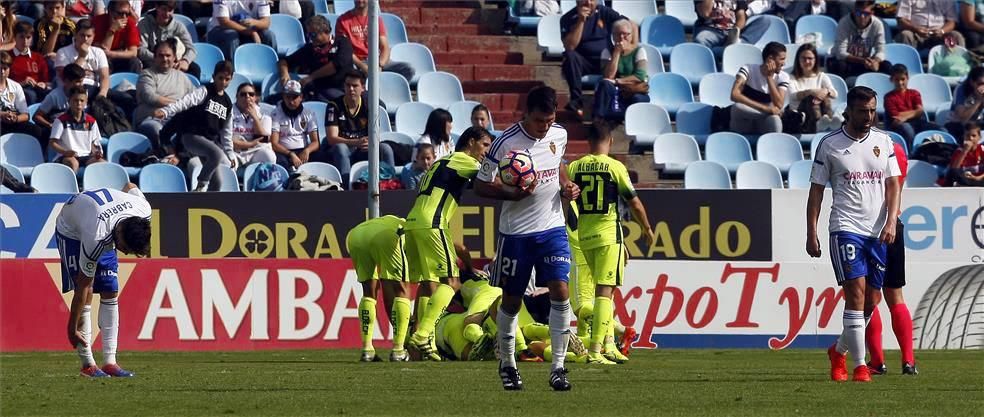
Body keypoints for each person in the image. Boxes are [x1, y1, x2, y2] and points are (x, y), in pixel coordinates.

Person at [474, 86, 580, 391]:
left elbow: (559, 167)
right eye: (538, 121)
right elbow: (480, 186)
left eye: (549, 120)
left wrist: (567, 186)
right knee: (512, 300)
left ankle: (558, 367)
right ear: (526, 115)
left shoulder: (559, 135)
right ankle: (507, 363)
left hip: (553, 228)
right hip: (517, 234)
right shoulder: (504, 144)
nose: (544, 126)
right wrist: (511, 192)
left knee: (560, 291)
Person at [807, 86, 901, 383]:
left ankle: (838, 351)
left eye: (873, 110)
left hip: (878, 232)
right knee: (856, 295)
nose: (869, 116)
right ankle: (860, 366)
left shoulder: (884, 141)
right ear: (849, 111)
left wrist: (891, 221)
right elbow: (816, 191)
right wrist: (811, 232)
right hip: (845, 228)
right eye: (863, 111)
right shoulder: (830, 144)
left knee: (873, 301)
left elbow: (894, 185)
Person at [567, 122, 653, 365]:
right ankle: (596, 352)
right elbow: (634, 202)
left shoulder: (574, 167)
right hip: (608, 236)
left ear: (588, 142)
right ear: (610, 141)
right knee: (606, 292)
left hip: (585, 236)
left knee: (603, 292)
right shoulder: (615, 167)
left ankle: (608, 345)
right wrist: (646, 227)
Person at [405, 126, 494, 359]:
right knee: (452, 282)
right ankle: (423, 333)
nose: (487, 151)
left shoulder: (442, 162)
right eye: (485, 145)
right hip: (432, 222)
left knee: (428, 284)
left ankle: (422, 345)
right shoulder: (462, 159)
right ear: (471, 142)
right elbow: (488, 176)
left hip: (414, 221)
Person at [57, 182, 151, 377]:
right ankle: (88, 364)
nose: (124, 252)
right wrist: (71, 328)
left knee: (110, 288)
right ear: (119, 233)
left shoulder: (143, 209)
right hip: (72, 231)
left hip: (101, 220)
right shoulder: (96, 237)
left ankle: (110, 362)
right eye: (126, 247)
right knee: (88, 292)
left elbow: (130, 185)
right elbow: (83, 287)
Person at [866, 139, 918, 376]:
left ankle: (877, 362)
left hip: (868, 227)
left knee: (868, 296)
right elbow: (897, 184)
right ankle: (908, 361)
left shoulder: (866, 147)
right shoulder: (897, 149)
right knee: (895, 296)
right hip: (894, 224)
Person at [154, 60, 236, 192]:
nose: (223, 82)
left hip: (207, 143)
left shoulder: (228, 103)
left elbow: (227, 132)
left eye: (227, 79)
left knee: (217, 183)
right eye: (220, 78)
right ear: (214, 76)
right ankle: (201, 186)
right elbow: (185, 102)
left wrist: (231, 153)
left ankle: (204, 203)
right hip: (192, 137)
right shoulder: (204, 91)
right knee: (217, 154)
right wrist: (166, 111)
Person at [347, 215, 413, 362]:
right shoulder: (410, 231)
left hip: (356, 235)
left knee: (368, 293)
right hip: (385, 236)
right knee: (402, 289)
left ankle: (367, 350)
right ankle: (399, 350)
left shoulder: (394, 220)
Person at [559, 0, 625, 118]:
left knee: (620, 57)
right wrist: (580, 21)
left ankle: (615, 107)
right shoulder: (567, 18)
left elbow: (628, 24)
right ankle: (576, 101)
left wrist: (630, 44)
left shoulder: (604, 12)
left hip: (605, 60)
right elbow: (570, 46)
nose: (588, 3)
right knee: (569, 56)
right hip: (582, 62)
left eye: (592, 0)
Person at [324, 70, 394, 181]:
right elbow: (332, 139)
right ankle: (347, 188)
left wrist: (370, 142)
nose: (351, 89)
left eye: (355, 86)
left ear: (362, 88)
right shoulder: (334, 106)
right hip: (341, 149)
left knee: (385, 148)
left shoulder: (370, 105)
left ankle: (390, 184)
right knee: (340, 148)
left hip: (362, 149)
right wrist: (356, 142)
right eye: (348, 85)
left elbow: (375, 135)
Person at [135, 39, 196, 155]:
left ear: (174, 58)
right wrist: (179, 105)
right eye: (161, 55)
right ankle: (168, 156)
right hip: (151, 118)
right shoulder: (147, 74)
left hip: (176, 119)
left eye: (168, 55)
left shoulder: (182, 77)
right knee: (158, 130)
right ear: (155, 57)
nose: (164, 59)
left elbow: (196, 98)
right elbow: (150, 97)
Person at [277, 14, 352, 102]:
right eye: (308, 35)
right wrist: (284, 74)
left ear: (326, 31)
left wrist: (311, 77)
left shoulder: (342, 42)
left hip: (343, 88)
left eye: (313, 35)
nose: (310, 38)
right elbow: (284, 61)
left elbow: (338, 64)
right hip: (320, 89)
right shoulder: (309, 49)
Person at [335, 0, 414, 82]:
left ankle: (389, 91)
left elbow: (384, 47)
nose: (360, 0)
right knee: (351, 73)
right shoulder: (342, 20)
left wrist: (380, 65)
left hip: (375, 60)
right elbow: (345, 51)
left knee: (408, 69)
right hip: (356, 62)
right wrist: (362, 66)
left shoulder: (376, 19)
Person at [592, 19, 649, 124]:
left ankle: (631, 123)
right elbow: (608, 76)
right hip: (615, 88)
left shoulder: (639, 51)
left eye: (625, 34)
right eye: (618, 34)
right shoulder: (607, 51)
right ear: (613, 36)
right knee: (604, 84)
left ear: (631, 35)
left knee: (639, 99)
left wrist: (618, 81)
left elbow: (640, 76)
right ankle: (598, 121)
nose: (622, 37)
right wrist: (617, 53)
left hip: (633, 88)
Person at [730, 41, 788, 134]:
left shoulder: (783, 76)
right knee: (737, 107)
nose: (784, 63)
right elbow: (734, 95)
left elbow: (779, 105)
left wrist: (769, 77)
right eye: (782, 59)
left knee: (775, 120)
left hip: (763, 123)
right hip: (744, 122)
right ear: (770, 59)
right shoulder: (748, 69)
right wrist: (766, 109)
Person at [785, 42, 841, 134]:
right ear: (798, 60)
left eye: (810, 58)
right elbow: (793, 96)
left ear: (815, 60)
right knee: (812, 97)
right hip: (800, 116)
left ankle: (827, 120)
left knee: (825, 96)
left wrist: (825, 91)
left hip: (821, 110)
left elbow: (835, 94)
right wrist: (811, 92)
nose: (807, 62)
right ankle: (820, 122)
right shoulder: (791, 77)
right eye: (803, 58)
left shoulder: (821, 76)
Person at [137, 0, 201, 79]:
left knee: (195, 69)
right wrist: (160, 59)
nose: (167, 14)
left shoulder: (178, 26)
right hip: (152, 62)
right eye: (164, 9)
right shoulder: (144, 24)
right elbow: (141, 50)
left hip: (174, 63)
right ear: (157, 7)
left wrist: (185, 61)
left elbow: (191, 48)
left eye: (170, 10)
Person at [49, 86, 105, 173]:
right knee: (73, 163)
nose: (79, 103)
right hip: (66, 156)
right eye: (75, 100)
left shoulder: (91, 121)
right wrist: (65, 152)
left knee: (102, 163)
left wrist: (97, 152)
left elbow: (94, 143)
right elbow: (52, 142)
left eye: (82, 101)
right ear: (69, 101)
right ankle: (71, 186)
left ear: (86, 102)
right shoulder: (61, 120)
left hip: (86, 156)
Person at [829, 1, 890, 78]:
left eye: (866, 14)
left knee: (886, 66)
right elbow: (840, 53)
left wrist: (876, 61)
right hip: (848, 61)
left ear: (872, 13)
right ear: (854, 11)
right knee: (839, 65)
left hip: (866, 62)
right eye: (858, 13)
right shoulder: (844, 23)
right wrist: (862, 61)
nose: (862, 17)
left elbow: (881, 51)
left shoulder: (877, 24)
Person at [884, 63, 939, 148]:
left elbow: (920, 111)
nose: (900, 82)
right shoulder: (888, 97)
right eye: (897, 79)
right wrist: (915, 113)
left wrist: (905, 117)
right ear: (891, 80)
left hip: (918, 123)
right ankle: (911, 153)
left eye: (903, 79)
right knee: (907, 128)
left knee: (941, 130)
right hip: (899, 127)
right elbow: (897, 118)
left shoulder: (914, 93)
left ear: (907, 78)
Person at [270, 79, 320, 172]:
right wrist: (290, 154)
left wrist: (307, 151)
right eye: (288, 97)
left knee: (321, 156)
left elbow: (316, 142)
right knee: (279, 161)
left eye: (295, 97)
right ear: (283, 97)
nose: (291, 101)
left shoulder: (309, 114)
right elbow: (274, 143)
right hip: (284, 152)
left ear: (301, 97)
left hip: (303, 150)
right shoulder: (275, 114)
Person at [205, 0, 275, 62]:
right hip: (219, 31)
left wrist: (254, 22)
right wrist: (252, 32)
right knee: (232, 35)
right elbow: (224, 22)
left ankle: (272, 68)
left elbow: (266, 22)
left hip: (249, 31)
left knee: (268, 35)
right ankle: (231, 70)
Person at [34, 63, 85, 142]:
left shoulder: (83, 94)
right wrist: (50, 125)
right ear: (66, 81)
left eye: (82, 81)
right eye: (78, 82)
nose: (81, 85)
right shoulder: (53, 96)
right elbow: (37, 116)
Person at [0, 51, 43, 142]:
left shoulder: (15, 86)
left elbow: (26, 114)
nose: (2, 72)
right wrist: (2, 115)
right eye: (0, 68)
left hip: (12, 122)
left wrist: (15, 119)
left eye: (5, 68)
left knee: (37, 131)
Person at [230, 82, 276, 167]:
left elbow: (263, 139)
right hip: (234, 151)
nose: (247, 96)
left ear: (255, 97)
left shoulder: (263, 113)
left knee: (269, 156)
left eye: (251, 94)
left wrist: (255, 117)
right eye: (243, 94)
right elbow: (226, 140)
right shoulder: (229, 112)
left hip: (254, 151)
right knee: (228, 161)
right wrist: (250, 144)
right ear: (237, 97)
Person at [92, 0, 142, 72]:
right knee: (103, 63)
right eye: (120, 13)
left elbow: (133, 53)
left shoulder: (130, 23)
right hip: (102, 57)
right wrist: (112, 30)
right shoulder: (98, 21)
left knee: (135, 62)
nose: (124, 17)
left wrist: (111, 54)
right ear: (111, 12)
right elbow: (102, 52)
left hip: (119, 55)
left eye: (127, 14)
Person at [895, 0, 965, 52]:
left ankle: (957, 66)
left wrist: (942, 31)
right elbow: (901, 20)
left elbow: (952, 21)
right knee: (905, 35)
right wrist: (916, 29)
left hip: (940, 35)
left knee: (956, 36)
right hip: (915, 33)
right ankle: (905, 67)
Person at [10, 22, 51, 105]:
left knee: (49, 95)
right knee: (30, 95)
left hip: (37, 89)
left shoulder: (38, 57)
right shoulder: (8, 57)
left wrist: (43, 84)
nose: (25, 41)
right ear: (14, 37)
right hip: (17, 91)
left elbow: (46, 81)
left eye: (28, 37)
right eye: (21, 37)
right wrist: (22, 83)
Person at [945, 66, 984, 138]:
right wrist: (978, 101)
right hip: (957, 125)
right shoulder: (961, 90)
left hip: (978, 123)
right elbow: (961, 118)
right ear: (972, 82)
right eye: (980, 84)